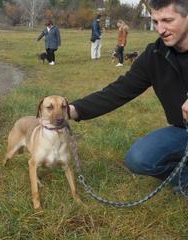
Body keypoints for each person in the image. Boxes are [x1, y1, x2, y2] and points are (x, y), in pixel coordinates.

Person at [69, 0, 188, 191]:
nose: (160, 29)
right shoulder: (155, 54)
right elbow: (119, 91)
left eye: (167, 20)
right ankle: (185, 181)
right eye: (156, 21)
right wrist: (72, 110)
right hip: (183, 130)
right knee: (139, 158)